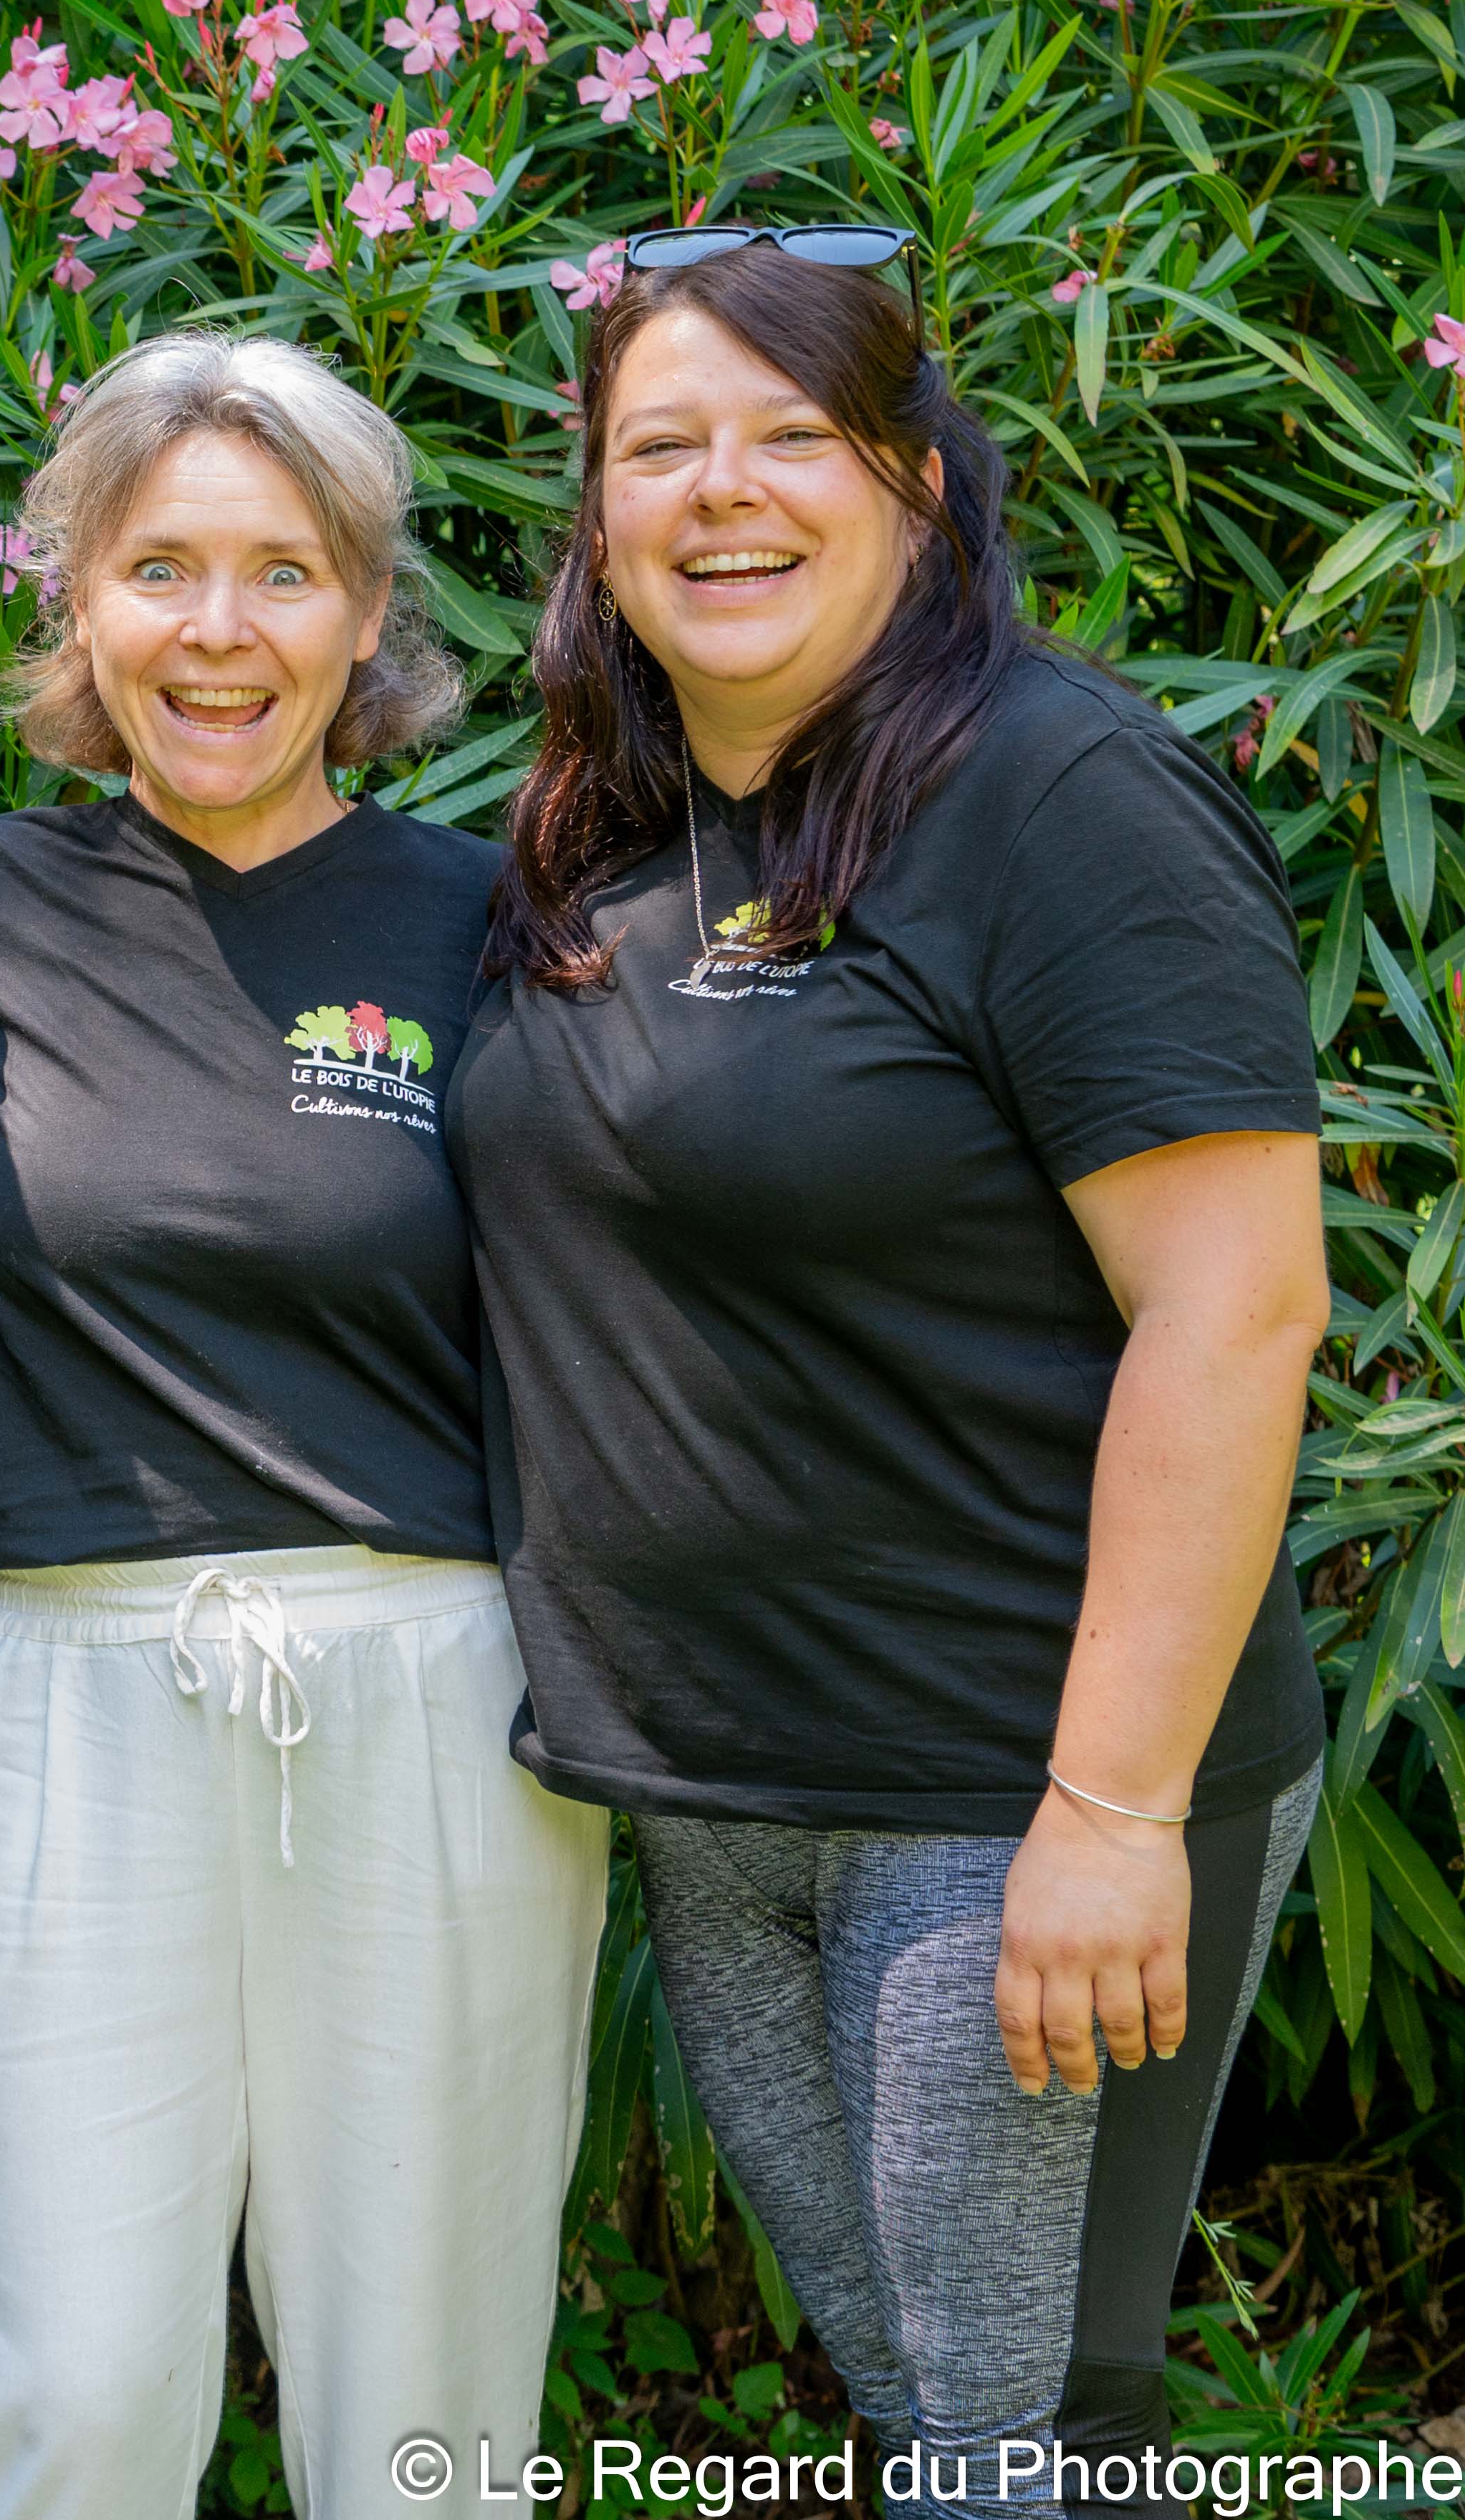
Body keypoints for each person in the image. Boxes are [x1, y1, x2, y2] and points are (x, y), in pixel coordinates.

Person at [451, 231, 1328, 2511]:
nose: (721, 492)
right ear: (598, 513)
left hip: (1007, 1785)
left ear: (917, 482)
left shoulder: (1061, 796)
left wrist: (1114, 1811)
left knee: (1006, 2436)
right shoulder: (600, 829)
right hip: (716, 1792)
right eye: (662, 446)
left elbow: (1238, 1309)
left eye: (789, 437)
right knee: (922, 2404)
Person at [0, 332, 609, 2520]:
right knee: (86, 2394)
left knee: (424, 2401)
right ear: (81, 601)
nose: (221, 632)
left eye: (284, 573)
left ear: (368, 612)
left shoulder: (487, 922)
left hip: (428, 1700)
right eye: (163, 570)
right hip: (72, 1700)